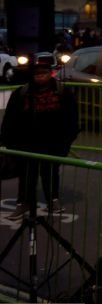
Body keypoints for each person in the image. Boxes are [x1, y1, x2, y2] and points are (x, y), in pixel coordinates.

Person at [1, 54, 79, 219]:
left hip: (53, 143)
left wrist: (66, 142)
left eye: (43, 74)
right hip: (26, 143)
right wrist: (8, 141)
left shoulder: (63, 92)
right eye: (37, 74)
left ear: (50, 74)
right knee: (27, 175)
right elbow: (10, 118)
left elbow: (72, 119)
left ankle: (53, 199)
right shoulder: (21, 93)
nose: (40, 77)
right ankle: (23, 203)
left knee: (50, 173)